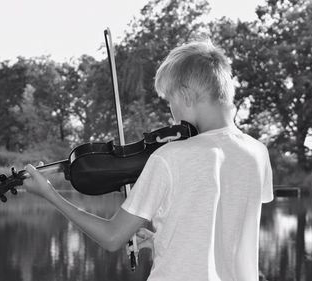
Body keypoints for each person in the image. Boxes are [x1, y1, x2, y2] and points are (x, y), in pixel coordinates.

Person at [22, 39, 274, 281]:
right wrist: (160, 241)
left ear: (186, 96)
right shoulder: (257, 153)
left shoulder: (170, 157)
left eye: (169, 101)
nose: (172, 113)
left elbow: (112, 237)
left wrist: (50, 195)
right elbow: (225, 232)